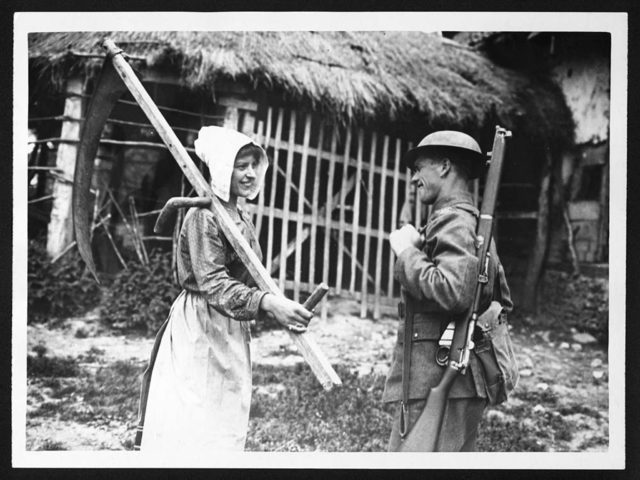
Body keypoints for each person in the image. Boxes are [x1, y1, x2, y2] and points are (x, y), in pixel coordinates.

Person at [140, 126, 313, 453]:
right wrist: (266, 303)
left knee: (226, 412)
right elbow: (213, 284)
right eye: (240, 166)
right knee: (193, 414)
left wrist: (276, 306)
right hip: (201, 324)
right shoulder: (203, 216)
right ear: (221, 167)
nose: (249, 174)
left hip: (230, 327)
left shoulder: (240, 216)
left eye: (253, 166)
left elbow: (248, 278)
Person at [383, 130, 513, 452]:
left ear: (443, 166)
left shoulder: (454, 221)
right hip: (453, 380)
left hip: (439, 377)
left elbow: (455, 291)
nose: (414, 178)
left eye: (419, 168)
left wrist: (407, 253)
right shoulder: (467, 222)